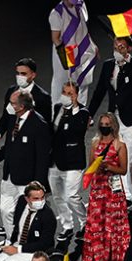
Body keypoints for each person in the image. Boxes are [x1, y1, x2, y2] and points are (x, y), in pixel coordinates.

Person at [0, 91, 52, 240]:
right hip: (9, 175)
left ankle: (26, 245)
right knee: (5, 210)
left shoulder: (39, 125)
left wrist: (37, 183)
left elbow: (43, 158)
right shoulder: (13, 119)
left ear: (22, 106)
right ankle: (11, 240)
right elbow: (9, 146)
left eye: (12, 103)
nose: (9, 106)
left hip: (27, 180)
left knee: (26, 215)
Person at [88, 36, 132, 208]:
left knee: (130, 160)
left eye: (121, 46)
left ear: (129, 49)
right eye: (115, 46)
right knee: (118, 160)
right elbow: (99, 91)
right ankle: (129, 197)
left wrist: (127, 60)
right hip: (115, 120)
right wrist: (89, 114)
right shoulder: (108, 65)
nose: (117, 49)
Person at [81, 113, 130, 261]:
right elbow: (90, 167)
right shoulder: (95, 143)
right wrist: (95, 168)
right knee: (97, 226)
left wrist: (108, 166)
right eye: (102, 123)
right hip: (97, 190)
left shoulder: (119, 145)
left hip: (112, 193)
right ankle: (97, 260)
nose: (104, 126)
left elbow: (123, 170)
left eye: (107, 123)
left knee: (112, 227)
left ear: (113, 125)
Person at [48, 81, 90, 241]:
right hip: (55, 161)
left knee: (71, 196)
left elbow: (76, 132)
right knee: (58, 196)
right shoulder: (58, 108)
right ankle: (67, 226)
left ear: (76, 95)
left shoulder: (83, 113)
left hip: (73, 162)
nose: (66, 96)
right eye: (64, 92)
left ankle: (85, 223)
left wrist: (70, 110)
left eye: (70, 93)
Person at [49, 0, 99, 104]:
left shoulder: (80, 5)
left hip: (81, 48)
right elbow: (55, 38)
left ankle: (81, 110)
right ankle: (58, 113)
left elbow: (83, 27)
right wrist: (66, 59)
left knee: (83, 80)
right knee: (62, 82)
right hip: (65, 53)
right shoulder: (56, 14)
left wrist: (92, 45)